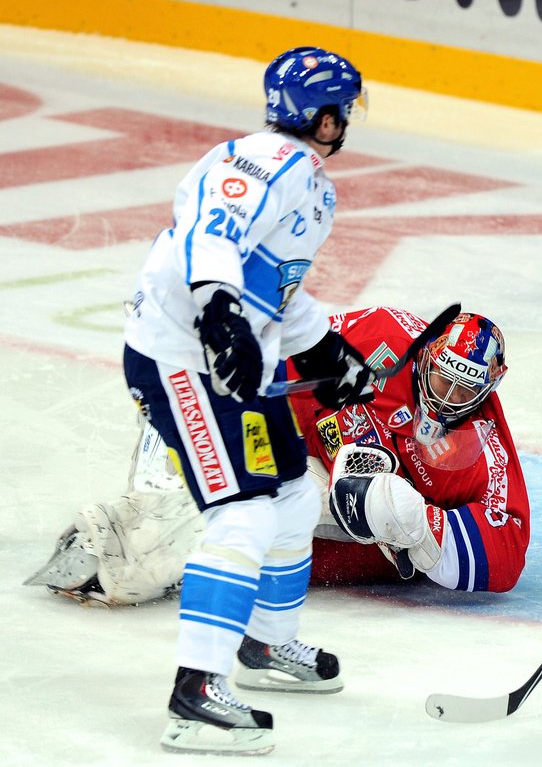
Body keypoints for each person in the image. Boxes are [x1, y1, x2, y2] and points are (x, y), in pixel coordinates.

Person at [121, 46, 375, 755]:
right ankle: (195, 692)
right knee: (242, 512)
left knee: (294, 492)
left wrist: (326, 350)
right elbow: (211, 230)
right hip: (180, 361)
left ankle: (265, 647)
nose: (346, 120)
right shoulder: (260, 160)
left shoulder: (313, 187)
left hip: (233, 366)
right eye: (343, 108)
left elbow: (275, 287)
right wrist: (215, 311)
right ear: (322, 116)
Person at [28, 307, 529, 597]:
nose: (451, 398)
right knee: (240, 475)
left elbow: (506, 554)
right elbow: (285, 362)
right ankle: (121, 540)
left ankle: (129, 563)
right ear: (427, 356)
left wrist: (412, 519)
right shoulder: (380, 336)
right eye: (444, 379)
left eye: (468, 391)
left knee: (263, 530)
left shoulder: (480, 447)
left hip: (362, 542)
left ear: (492, 385)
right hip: (299, 448)